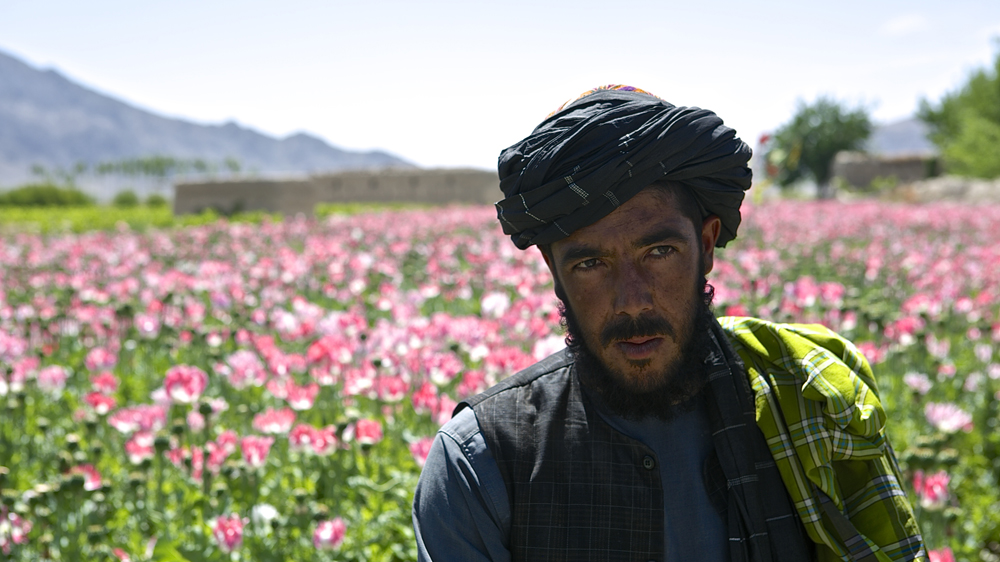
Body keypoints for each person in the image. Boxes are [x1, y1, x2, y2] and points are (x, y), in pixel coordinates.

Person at [412, 85, 924, 562]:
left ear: (706, 244)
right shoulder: (481, 462)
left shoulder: (811, 406)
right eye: (590, 264)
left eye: (659, 252)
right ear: (554, 270)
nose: (631, 301)